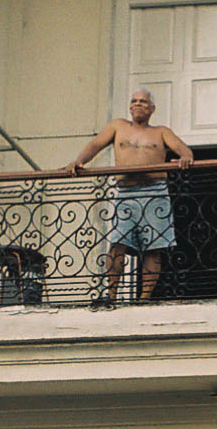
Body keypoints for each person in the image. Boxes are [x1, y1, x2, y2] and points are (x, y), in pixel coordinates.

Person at [66, 89, 193, 304]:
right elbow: (96, 144)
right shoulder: (118, 126)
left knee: (153, 248)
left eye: (143, 102)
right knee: (117, 244)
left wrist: (186, 158)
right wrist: (79, 161)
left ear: (152, 109)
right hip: (126, 192)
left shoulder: (161, 132)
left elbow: (184, 150)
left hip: (155, 192)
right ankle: (112, 295)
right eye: (134, 101)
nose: (138, 105)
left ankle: (144, 298)